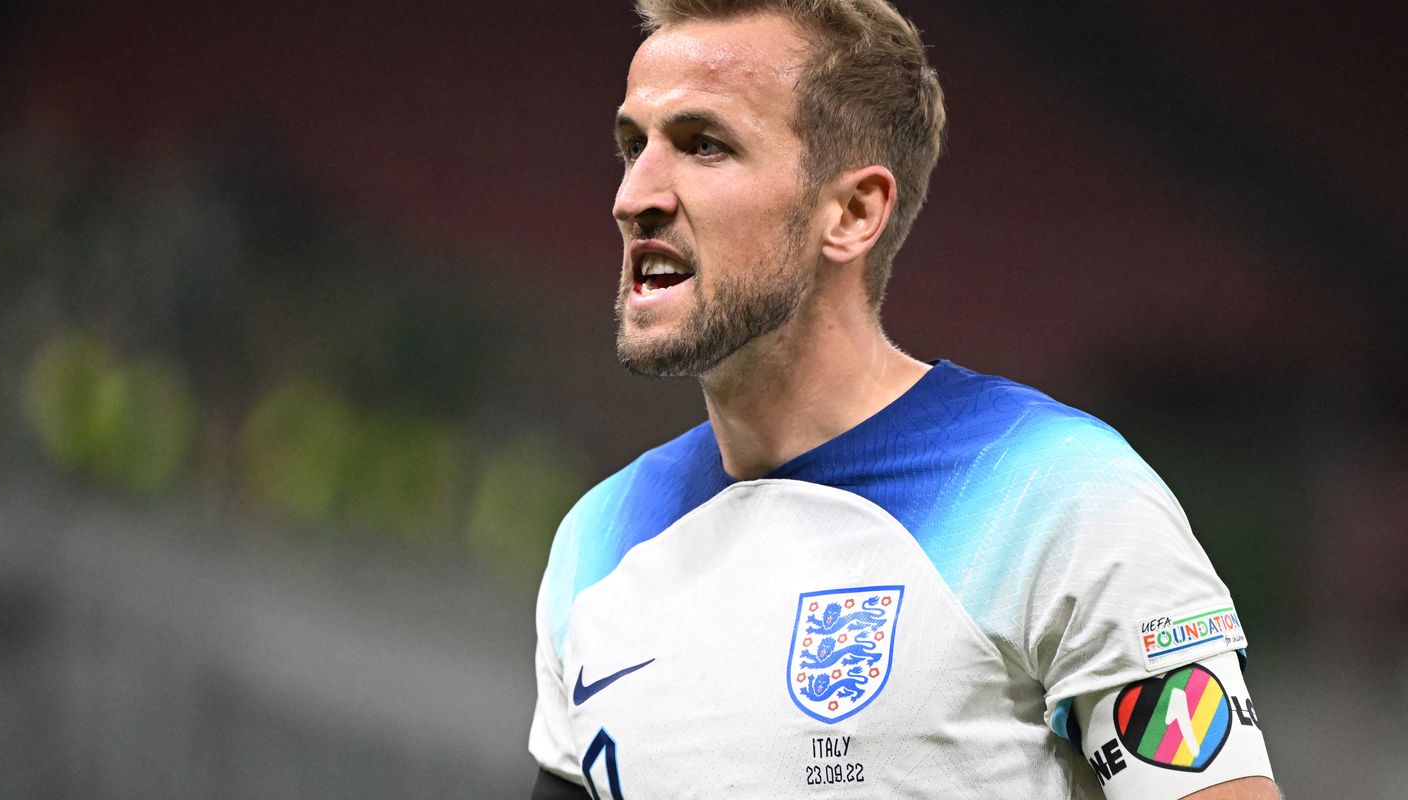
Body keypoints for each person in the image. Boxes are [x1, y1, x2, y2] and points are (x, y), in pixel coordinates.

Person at [529, 1, 1278, 798]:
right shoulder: (596, 541)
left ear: (853, 213)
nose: (633, 195)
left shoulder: (1056, 493)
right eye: (633, 146)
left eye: (703, 145)